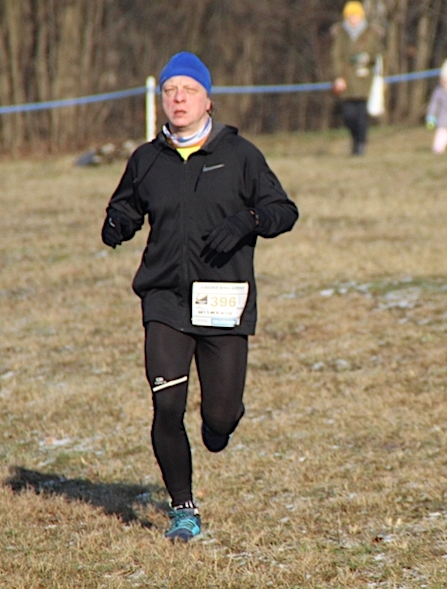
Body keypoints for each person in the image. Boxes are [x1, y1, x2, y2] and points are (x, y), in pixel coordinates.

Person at [101, 51, 299, 543]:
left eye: (188, 90)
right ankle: (183, 510)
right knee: (167, 407)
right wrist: (118, 222)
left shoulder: (240, 156)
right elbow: (126, 206)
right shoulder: (147, 159)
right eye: (170, 91)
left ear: (208, 100)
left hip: (222, 299)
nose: (178, 98)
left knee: (219, 416)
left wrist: (249, 220)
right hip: (165, 300)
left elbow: (283, 210)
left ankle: (221, 423)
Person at [330, 0, 384, 156]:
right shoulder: (341, 35)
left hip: (364, 80)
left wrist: (367, 59)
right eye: (350, 16)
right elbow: (336, 57)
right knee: (348, 115)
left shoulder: (371, 34)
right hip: (346, 80)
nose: (353, 19)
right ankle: (355, 139)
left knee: (361, 115)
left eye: (355, 15)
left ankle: (360, 144)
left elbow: (378, 55)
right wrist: (338, 77)